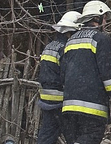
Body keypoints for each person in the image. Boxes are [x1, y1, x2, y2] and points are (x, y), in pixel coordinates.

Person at [61, 0, 111, 144]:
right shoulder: (100, 39)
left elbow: (63, 74)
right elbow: (107, 73)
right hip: (92, 108)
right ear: (97, 18)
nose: (105, 22)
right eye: (105, 18)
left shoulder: (70, 41)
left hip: (68, 107)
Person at [37, 10, 81, 144]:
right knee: (73, 137)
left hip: (46, 100)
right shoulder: (66, 49)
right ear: (70, 32)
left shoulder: (50, 46)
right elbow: (68, 75)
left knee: (47, 135)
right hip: (61, 101)